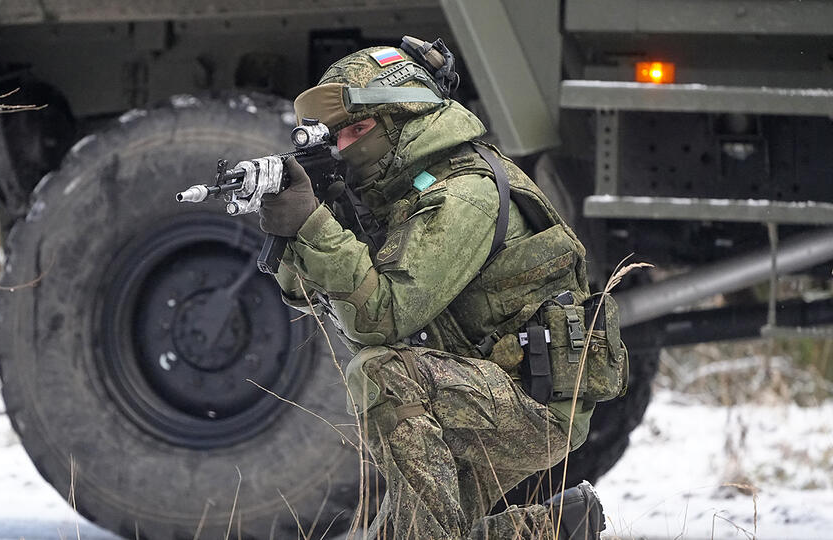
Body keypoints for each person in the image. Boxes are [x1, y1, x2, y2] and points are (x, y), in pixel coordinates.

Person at [259, 37, 622, 540]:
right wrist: (299, 224)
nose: (344, 148)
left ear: (404, 120)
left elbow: (381, 320)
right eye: (337, 137)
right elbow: (309, 295)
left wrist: (317, 230)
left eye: (358, 130)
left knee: (381, 374)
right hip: (476, 384)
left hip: (530, 404)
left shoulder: (462, 193)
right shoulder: (405, 191)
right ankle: (558, 527)